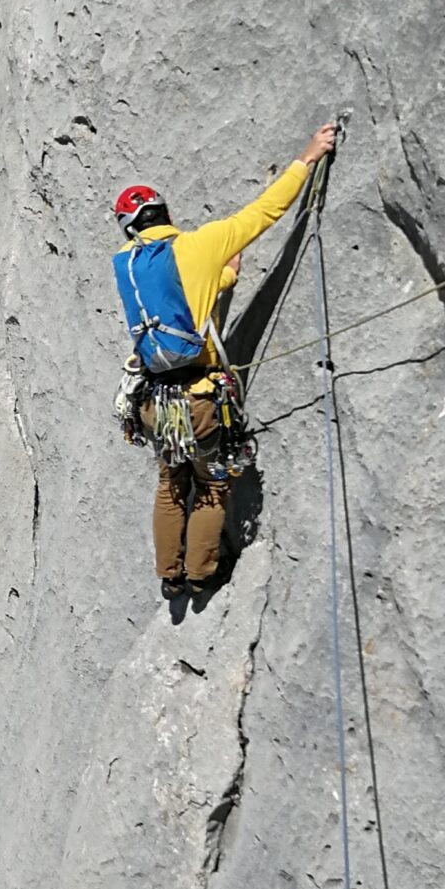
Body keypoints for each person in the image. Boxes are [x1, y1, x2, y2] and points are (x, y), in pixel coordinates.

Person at [113, 122, 338, 603]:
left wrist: (222, 284)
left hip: (155, 401)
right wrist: (309, 155)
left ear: (131, 229)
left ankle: (170, 576)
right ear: (166, 213)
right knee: (213, 485)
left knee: (172, 484)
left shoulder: (128, 266)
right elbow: (266, 211)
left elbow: (177, 308)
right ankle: (201, 573)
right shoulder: (202, 243)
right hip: (199, 400)